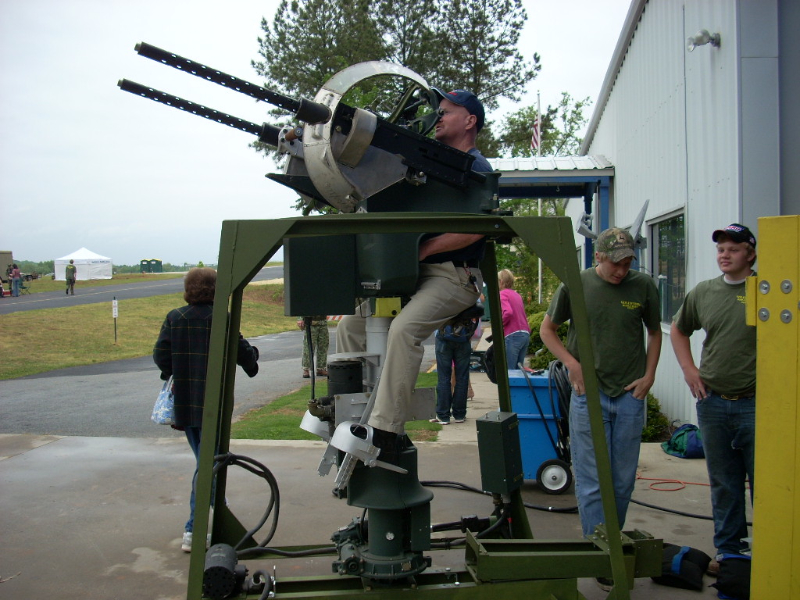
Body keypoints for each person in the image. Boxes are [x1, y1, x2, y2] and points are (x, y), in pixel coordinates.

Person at [336, 89, 490, 461]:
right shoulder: (430, 166)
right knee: (349, 327)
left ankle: (386, 429)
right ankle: (348, 413)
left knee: (404, 330)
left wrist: (423, 248)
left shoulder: (475, 168)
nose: (438, 117)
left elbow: (478, 227)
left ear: (470, 121)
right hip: (412, 272)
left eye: (446, 112)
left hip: (453, 275)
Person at [540, 228, 662, 548]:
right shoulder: (576, 284)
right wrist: (572, 364)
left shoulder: (643, 286)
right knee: (592, 480)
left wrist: (649, 376)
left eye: (627, 264)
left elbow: (655, 332)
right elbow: (547, 330)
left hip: (630, 395)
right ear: (598, 257)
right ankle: (598, 547)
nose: (621, 271)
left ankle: (613, 543)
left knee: (622, 481)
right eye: (615, 264)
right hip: (587, 395)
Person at [152, 267, 260, 552]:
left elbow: (160, 355)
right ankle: (194, 528)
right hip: (215, 404)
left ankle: (216, 505)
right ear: (216, 288)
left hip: (186, 403)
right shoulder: (221, 318)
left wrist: (176, 373)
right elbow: (243, 353)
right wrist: (253, 362)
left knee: (206, 460)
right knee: (207, 464)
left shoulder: (175, 317)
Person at [670, 223, 757, 565]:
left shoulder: (766, 291)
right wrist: (689, 369)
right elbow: (678, 330)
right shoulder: (704, 292)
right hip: (713, 402)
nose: (725, 254)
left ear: (750, 254)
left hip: (757, 403)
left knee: (765, 481)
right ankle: (730, 550)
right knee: (723, 481)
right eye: (721, 249)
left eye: (733, 249)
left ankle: (772, 548)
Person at [430, 315, 476, 425]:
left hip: (444, 336)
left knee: (444, 377)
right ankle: (459, 414)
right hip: (463, 336)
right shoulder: (466, 303)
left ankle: (443, 415)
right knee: (462, 378)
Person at [498, 269, 531, 370]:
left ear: (501, 282)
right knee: (518, 370)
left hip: (512, 334)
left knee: (509, 371)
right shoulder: (517, 295)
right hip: (525, 334)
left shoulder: (502, 294)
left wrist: (499, 325)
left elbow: (508, 312)